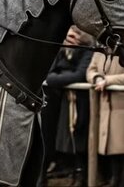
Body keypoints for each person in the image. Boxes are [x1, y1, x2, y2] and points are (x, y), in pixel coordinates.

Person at [41, 26, 94, 186]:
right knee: (51, 137)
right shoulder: (60, 51)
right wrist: (59, 77)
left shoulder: (87, 51)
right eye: (67, 37)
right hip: (57, 102)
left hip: (79, 101)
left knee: (77, 136)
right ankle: (42, 174)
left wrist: (55, 79)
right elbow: (48, 72)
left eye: (73, 37)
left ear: (81, 38)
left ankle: (80, 175)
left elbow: (79, 75)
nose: (69, 39)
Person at [87, 49, 124, 187]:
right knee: (112, 149)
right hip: (106, 107)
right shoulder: (100, 51)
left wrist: (107, 81)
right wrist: (97, 78)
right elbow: (90, 70)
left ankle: (123, 182)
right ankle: (115, 180)